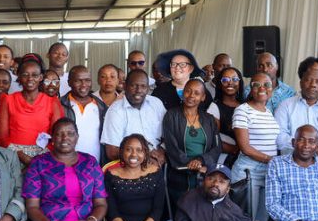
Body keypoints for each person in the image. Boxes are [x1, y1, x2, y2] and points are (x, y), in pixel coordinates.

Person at [23, 118, 108, 221]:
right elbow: (32, 207)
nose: (65, 138)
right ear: (52, 138)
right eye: (59, 134)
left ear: (77, 137)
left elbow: (101, 203)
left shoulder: (90, 162)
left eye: (70, 133)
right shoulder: (38, 164)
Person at [105, 134, 165, 221]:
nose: (134, 154)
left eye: (139, 150)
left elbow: (158, 210)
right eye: (129, 149)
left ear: (145, 153)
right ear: (122, 152)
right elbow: (111, 210)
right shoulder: (111, 175)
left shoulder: (155, 172)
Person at [0, 58, 64, 166]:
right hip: (13, 156)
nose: (30, 79)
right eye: (25, 75)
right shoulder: (8, 100)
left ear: (41, 77)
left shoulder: (52, 102)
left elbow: (58, 135)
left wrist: (37, 159)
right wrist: (22, 156)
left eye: (35, 75)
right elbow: (2, 137)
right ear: (19, 77)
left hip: (44, 157)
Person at [163, 79, 221, 207]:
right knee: (185, 212)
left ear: (203, 97)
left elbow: (217, 147)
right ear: (183, 93)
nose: (191, 96)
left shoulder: (209, 119)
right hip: (180, 173)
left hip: (205, 172)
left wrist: (201, 161)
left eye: (196, 93)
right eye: (188, 91)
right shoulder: (171, 115)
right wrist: (190, 164)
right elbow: (171, 146)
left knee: (205, 211)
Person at [232, 72, 280, 221]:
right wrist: (271, 159)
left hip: (268, 172)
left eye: (266, 85)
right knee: (246, 220)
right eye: (256, 85)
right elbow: (245, 148)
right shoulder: (242, 110)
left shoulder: (269, 112)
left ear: (272, 89)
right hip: (248, 170)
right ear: (250, 89)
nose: (262, 88)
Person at [101, 69, 166, 164]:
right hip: (129, 169)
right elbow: (112, 152)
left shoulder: (156, 104)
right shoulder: (115, 111)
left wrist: (162, 151)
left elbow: (169, 134)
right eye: (133, 85)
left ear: (148, 88)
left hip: (157, 164)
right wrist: (145, 157)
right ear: (124, 86)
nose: (138, 90)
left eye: (143, 86)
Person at [60, 65, 107, 163]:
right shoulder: (60, 105)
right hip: (67, 165)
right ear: (69, 83)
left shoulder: (101, 106)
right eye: (78, 81)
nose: (83, 85)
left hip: (94, 166)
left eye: (87, 80)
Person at [206, 67, 245, 166]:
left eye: (235, 79)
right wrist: (237, 150)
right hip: (226, 159)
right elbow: (213, 139)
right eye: (225, 80)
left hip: (248, 158)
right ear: (219, 83)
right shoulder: (215, 107)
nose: (230, 83)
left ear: (240, 83)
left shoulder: (246, 106)